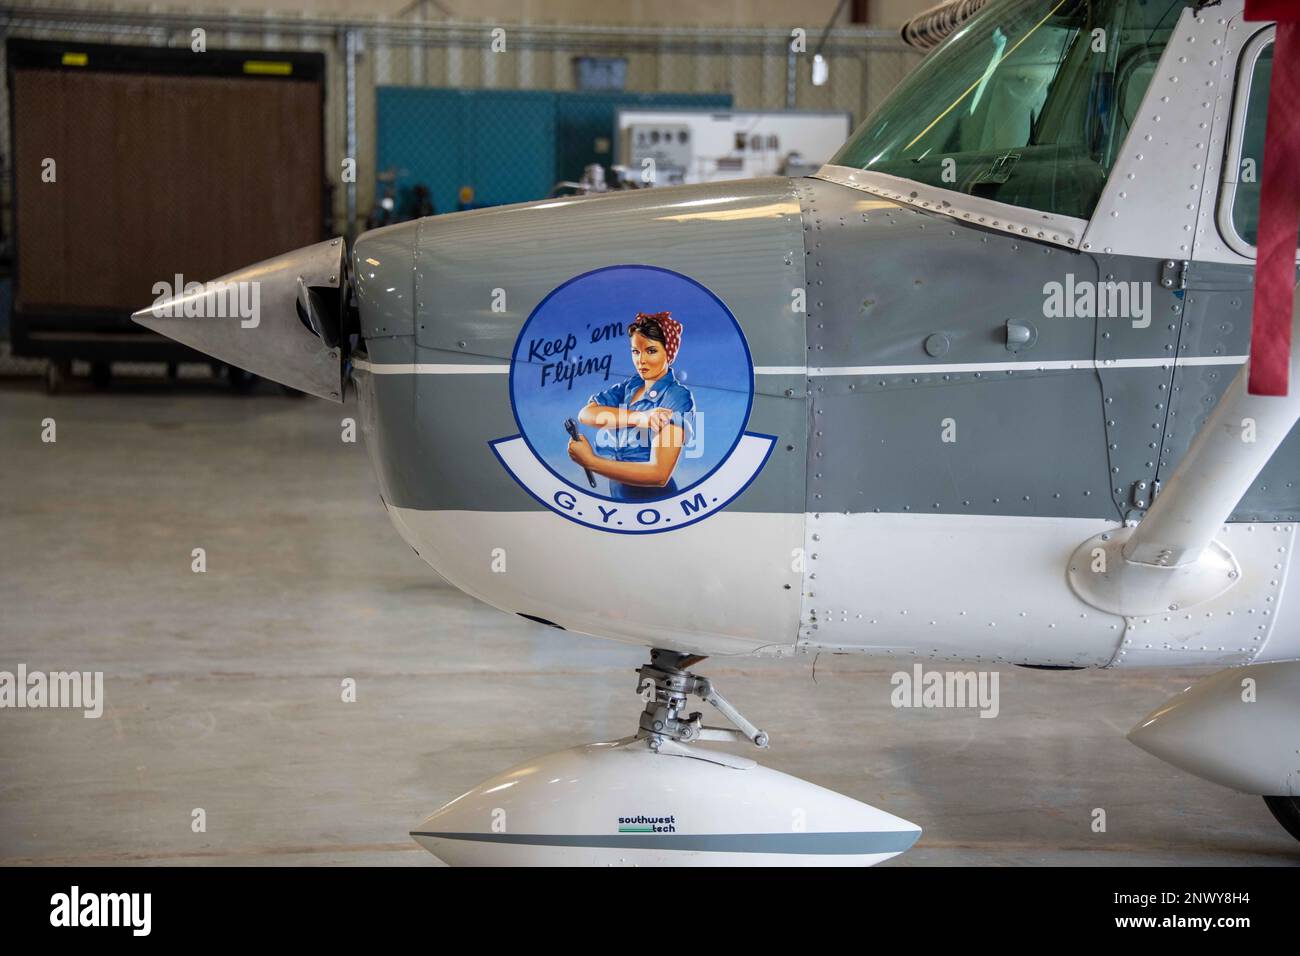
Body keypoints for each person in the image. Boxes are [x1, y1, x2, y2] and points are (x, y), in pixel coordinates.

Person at [568, 311, 695, 500]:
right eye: (636, 351)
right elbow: (586, 414)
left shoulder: (676, 396)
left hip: (653, 497)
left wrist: (591, 462)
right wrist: (639, 418)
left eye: (651, 351)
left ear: (668, 353)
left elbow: (659, 474)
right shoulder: (632, 385)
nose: (641, 360)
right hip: (619, 490)